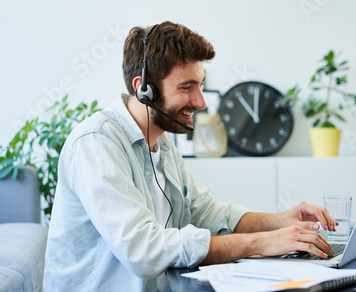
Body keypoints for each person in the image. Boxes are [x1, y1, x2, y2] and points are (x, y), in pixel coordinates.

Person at [43, 21, 337, 291]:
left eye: (201, 85)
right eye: (187, 87)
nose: (200, 101)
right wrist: (261, 243)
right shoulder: (97, 142)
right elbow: (144, 250)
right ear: (143, 89)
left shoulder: (163, 143)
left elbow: (205, 212)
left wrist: (280, 222)